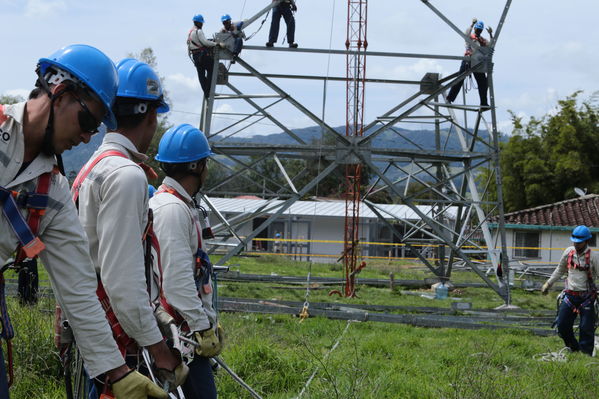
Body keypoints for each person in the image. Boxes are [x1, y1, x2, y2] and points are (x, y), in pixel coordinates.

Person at [0, 44, 167, 398]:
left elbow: (78, 291)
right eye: (89, 120)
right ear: (60, 93)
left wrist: (118, 373)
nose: (89, 136)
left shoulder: (53, 192)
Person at [73, 58, 188, 394]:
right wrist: (159, 349)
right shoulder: (126, 175)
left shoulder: (92, 167)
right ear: (151, 116)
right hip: (121, 343)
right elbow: (122, 280)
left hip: (98, 331)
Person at [150, 124, 224, 398]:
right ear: (197, 166)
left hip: (184, 331)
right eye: (205, 162)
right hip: (181, 337)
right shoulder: (171, 210)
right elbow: (177, 282)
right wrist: (202, 327)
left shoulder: (179, 205)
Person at [541, 225, 599, 356]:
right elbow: (560, 270)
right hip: (570, 296)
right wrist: (548, 284)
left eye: (579, 242)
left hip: (587, 297)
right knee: (562, 326)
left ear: (586, 241)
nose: (576, 244)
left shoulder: (594, 257)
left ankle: (585, 357)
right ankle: (574, 349)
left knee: (586, 329)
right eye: (575, 241)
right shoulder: (568, 252)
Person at [446, 18, 493, 109]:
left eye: (480, 30)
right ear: (475, 29)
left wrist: (491, 34)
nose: (478, 31)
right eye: (477, 29)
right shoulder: (470, 37)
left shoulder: (482, 40)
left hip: (478, 63)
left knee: (483, 83)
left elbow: (490, 45)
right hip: (468, 61)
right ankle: (450, 98)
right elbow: (465, 34)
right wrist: (471, 24)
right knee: (459, 80)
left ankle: (484, 104)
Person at [188, 14, 223, 98]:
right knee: (212, 67)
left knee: (201, 75)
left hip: (195, 56)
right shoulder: (198, 31)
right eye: (201, 23)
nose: (202, 24)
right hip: (202, 55)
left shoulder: (190, 32)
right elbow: (205, 43)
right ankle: (209, 90)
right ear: (198, 23)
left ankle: (206, 93)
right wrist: (217, 44)